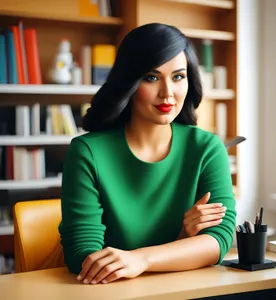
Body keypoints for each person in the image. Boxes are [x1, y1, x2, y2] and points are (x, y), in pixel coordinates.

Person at [59, 22, 236, 285]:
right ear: (129, 81)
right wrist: (183, 243)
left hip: (185, 290)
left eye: (178, 77)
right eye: (151, 77)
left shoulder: (207, 149)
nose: (167, 93)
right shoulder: (87, 152)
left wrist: (141, 259)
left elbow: (217, 242)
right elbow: (83, 256)